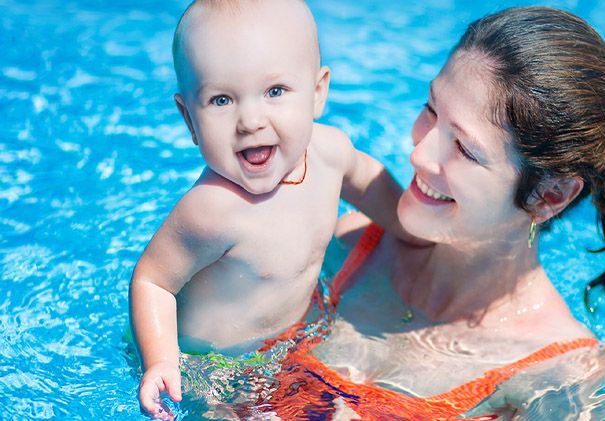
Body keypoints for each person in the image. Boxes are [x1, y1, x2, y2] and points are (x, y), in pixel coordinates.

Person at [245, 6, 605, 419]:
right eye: (430, 109)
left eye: (463, 148)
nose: (418, 154)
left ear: (550, 195)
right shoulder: (351, 244)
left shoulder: (559, 373)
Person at [128, 0, 413, 418]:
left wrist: (413, 228)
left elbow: (367, 179)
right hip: (211, 373)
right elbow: (152, 281)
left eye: (274, 92)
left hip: (293, 345)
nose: (250, 121)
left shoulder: (330, 153)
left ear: (317, 93)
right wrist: (161, 362)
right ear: (189, 119)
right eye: (221, 100)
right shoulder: (212, 210)